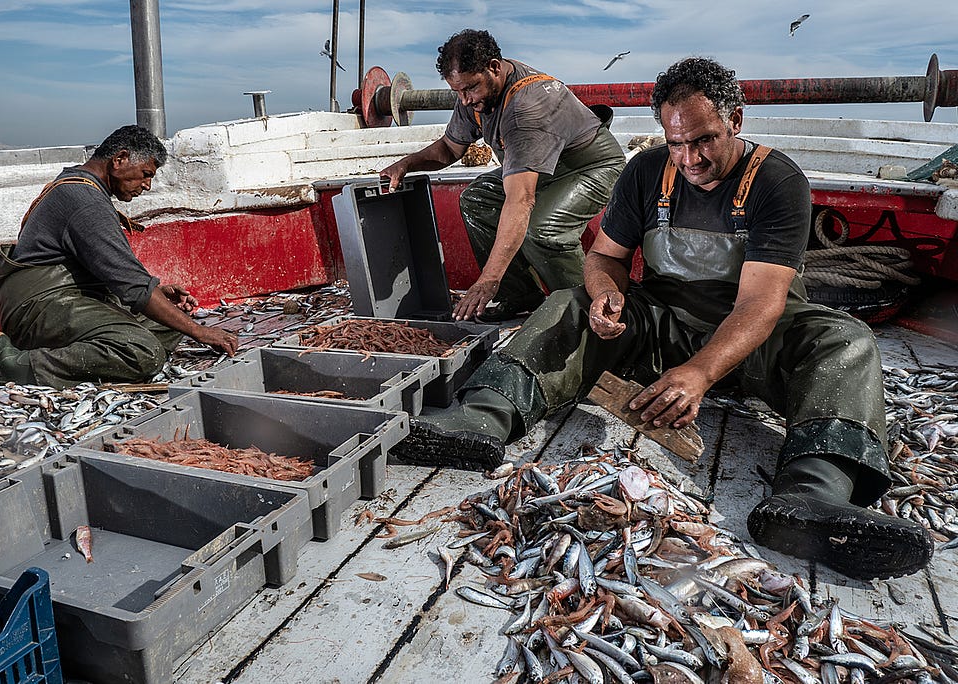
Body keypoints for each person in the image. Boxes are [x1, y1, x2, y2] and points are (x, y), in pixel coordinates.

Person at [390, 57, 933, 580]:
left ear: (735, 122)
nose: (689, 158)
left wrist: (698, 374)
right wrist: (605, 295)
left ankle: (813, 496)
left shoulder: (777, 181)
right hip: (664, 324)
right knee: (566, 304)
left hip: (753, 341)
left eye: (704, 140)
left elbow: (761, 305)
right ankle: (484, 418)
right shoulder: (647, 171)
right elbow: (604, 257)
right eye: (676, 143)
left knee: (846, 339)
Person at [0, 125, 238, 401]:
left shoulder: (80, 186)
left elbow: (120, 276)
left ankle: (67, 354)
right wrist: (202, 332)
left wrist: (161, 296)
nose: (147, 185)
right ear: (120, 159)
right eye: (146, 173)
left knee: (171, 322)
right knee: (143, 351)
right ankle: (4, 364)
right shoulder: (85, 201)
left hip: (66, 299)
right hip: (40, 308)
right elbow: (133, 287)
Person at [380, 29, 625, 322]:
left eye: (470, 88)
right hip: (546, 166)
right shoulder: (474, 95)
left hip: (593, 167)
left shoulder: (525, 108)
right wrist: (407, 163)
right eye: (458, 91)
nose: (466, 100)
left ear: (494, 67)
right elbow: (449, 148)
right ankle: (520, 295)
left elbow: (521, 200)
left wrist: (487, 279)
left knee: (543, 228)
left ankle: (585, 313)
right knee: (477, 199)